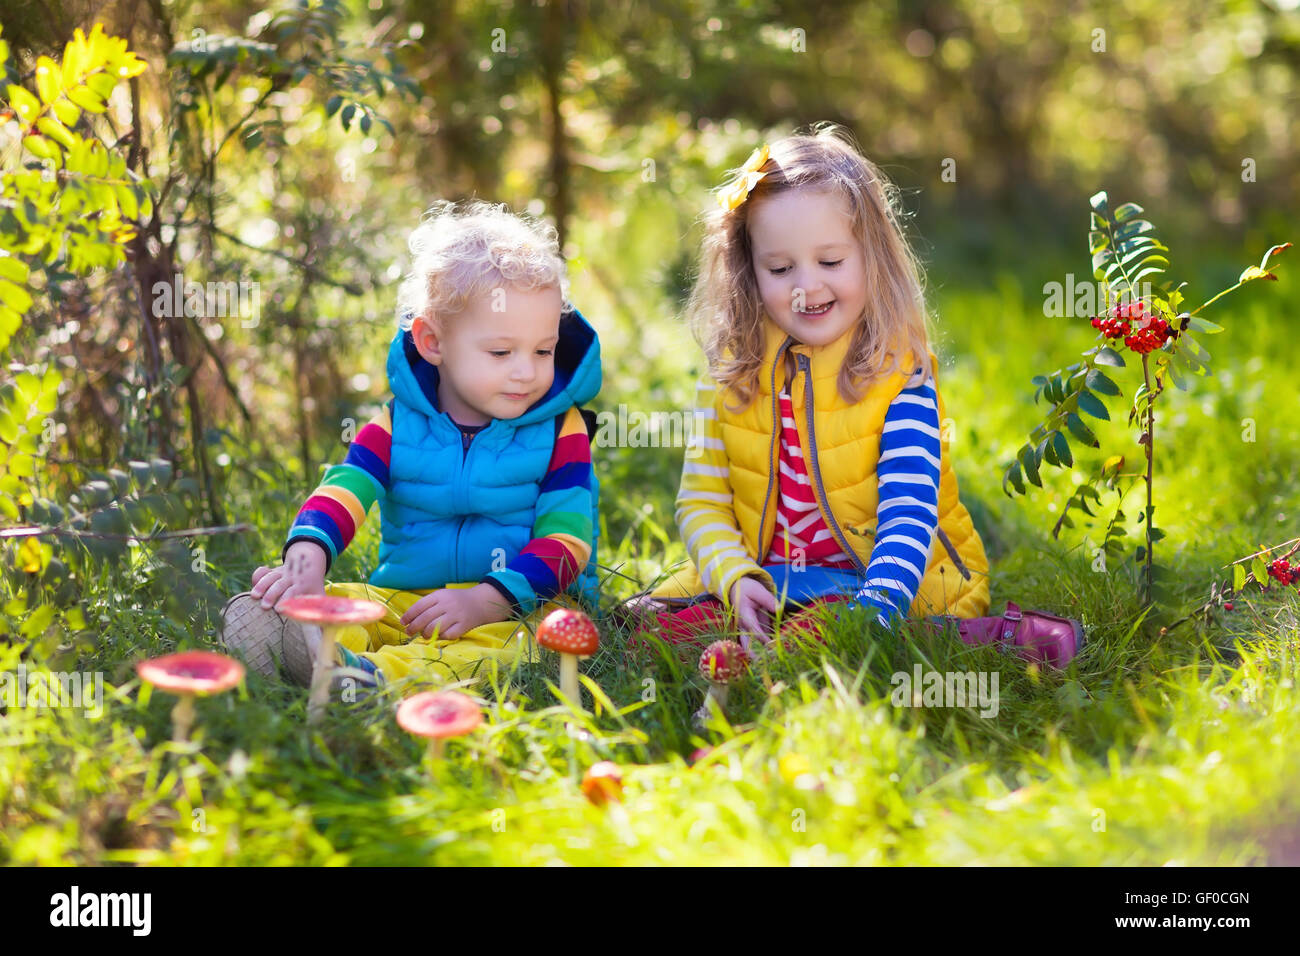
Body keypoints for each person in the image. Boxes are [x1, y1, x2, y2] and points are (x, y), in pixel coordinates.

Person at [626, 125, 1084, 667]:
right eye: (780, 268)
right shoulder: (732, 373)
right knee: (650, 631)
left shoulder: (898, 372)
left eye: (831, 262)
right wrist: (733, 577)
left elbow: (909, 513)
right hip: (771, 578)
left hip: (882, 584)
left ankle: (994, 637)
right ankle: (759, 631)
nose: (807, 286)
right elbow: (702, 502)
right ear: (748, 270)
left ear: (872, 256)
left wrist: (877, 608)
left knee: (822, 643)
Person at [221, 200, 602, 692]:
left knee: (510, 647)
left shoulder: (559, 430)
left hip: (523, 605)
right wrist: (309, 552)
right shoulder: (399, 421)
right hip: (406, 596)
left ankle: (372, 677)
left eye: (543, 350)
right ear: (432, 342)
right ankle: (297, 633)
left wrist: (489, 598)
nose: (526, 371)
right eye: (501, 352)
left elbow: (567, 541)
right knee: (354, 603)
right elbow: (347, 486)